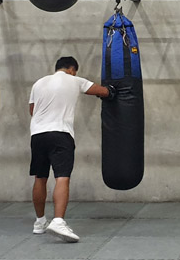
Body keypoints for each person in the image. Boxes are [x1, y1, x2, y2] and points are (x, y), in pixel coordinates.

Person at [28, 56, 115, 242]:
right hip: (60, 134)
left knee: (40, 177)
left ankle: (40, 222)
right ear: (72, 69)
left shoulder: (39, 83)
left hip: (37, 135)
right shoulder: (75, 80)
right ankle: (58, 221)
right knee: (62, 177)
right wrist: (112, 91)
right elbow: (102, 91)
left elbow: (32, 110)